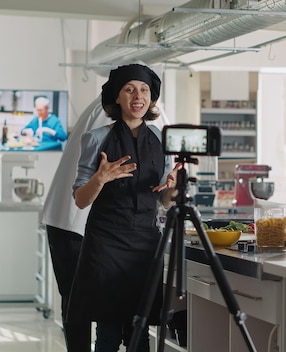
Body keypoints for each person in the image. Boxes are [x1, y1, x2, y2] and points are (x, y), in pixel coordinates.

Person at [67, 63, 180, 352]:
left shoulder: (160, 139)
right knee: (107, 333)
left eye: (144, 90)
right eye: (129, 89)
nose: (137, 96)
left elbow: (163, 202)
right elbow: (81, 199)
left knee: (139, 333)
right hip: (106, 244)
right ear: (117, 97)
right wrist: (101, 178)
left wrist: (174, 189)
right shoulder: (95, 139)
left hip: (144, 244)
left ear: (151, 99)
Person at [41, 96, 111, 351]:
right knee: (78, 303)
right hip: (74, 222)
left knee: (80, 303)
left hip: (72, 220)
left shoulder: (106, 106)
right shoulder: (110, 116)